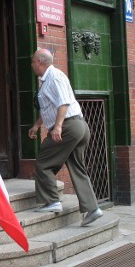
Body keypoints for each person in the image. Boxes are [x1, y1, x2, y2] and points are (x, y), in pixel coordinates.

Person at [28, 48, 102, 226]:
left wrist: (58, 126)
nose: (31, 65)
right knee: (77, 168)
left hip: (69, 126)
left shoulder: (54, 77)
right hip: (77, 126)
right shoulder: (48, 79)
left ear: (40, 62)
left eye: (32, 62)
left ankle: (52, 201)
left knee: (44, 162)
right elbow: (51, 107)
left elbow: (63, 103)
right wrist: (38, 124)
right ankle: (92, 209)